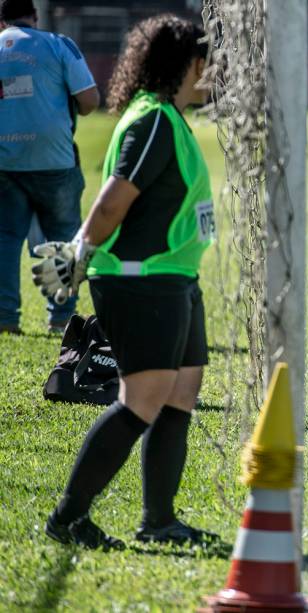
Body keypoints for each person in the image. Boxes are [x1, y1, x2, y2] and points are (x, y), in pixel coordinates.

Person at [32, 14, 217, 550]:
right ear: (189, 63)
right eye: (210, 62)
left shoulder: (169, 117)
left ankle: (159, 522)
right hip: (142, 282)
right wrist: (80, 253)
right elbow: (114, 198)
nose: (215, 73)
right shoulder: (154, 118)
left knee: (182, 391)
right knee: (142, 399)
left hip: (175, 278)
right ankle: (68, 518)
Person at [0, 0, 99, 334]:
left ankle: (5, 319)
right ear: (35, 16)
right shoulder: (58, 44)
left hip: (5, 161)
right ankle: (61, 319)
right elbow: (90, 100)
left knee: (6, 239)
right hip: (55, 160)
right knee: (62, 237)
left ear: (2, 22)